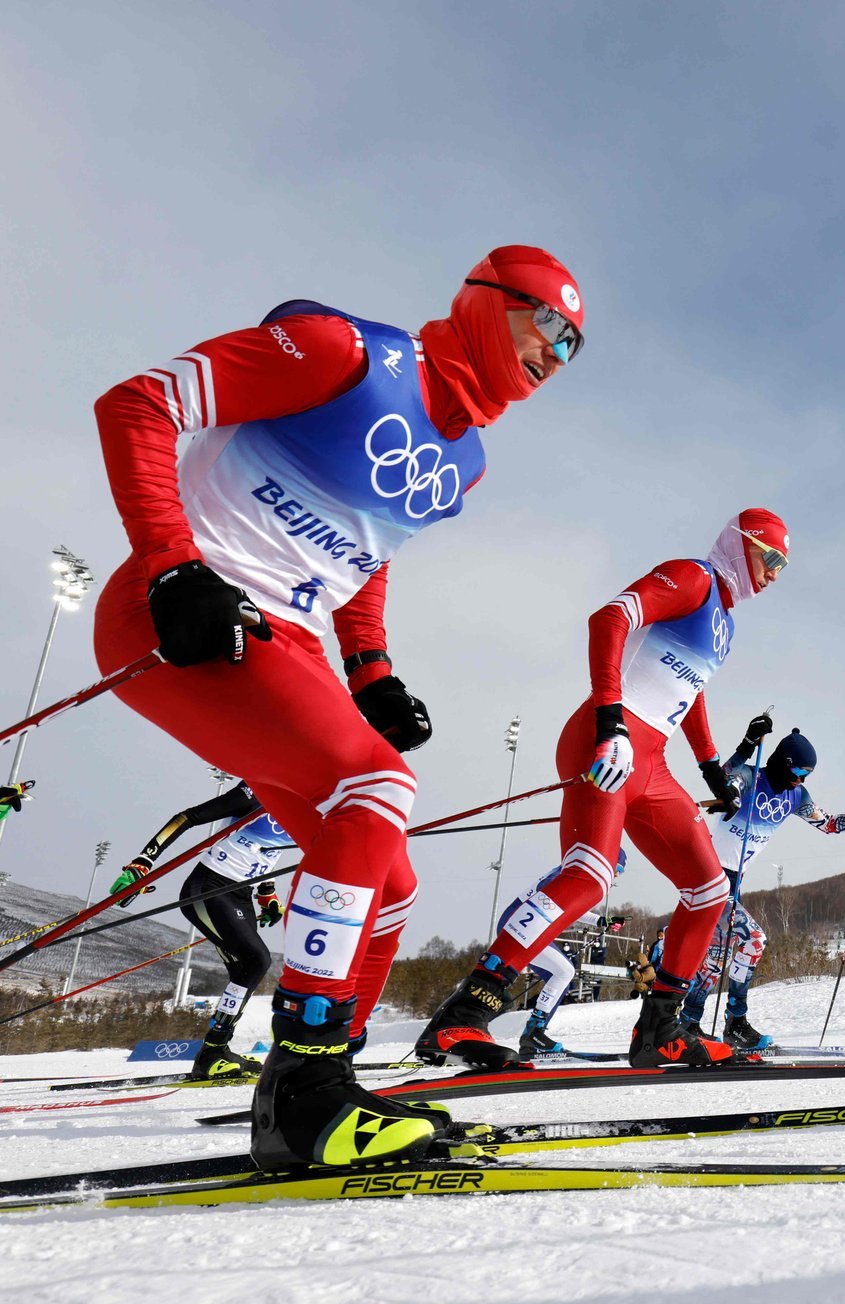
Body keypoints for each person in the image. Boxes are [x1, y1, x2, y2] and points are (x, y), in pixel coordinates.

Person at [91, 245, 585, 1169]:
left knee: (390, 880)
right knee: (374, 785)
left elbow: (365, 548)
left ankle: (332, 1076)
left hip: (293, 639)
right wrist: (170, 565)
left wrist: (373, 672)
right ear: (488, 302)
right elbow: (138, 404)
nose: (556, 354)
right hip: (192, 609)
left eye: (575, 347)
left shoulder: (465, 461)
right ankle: (305, 1100)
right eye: (548, 325)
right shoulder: (343, 351)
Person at [418, 509, 792, 1071]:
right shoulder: (692, 576)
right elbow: (610, 618)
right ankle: (463, 1014)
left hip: (653, 761)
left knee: (709, 890)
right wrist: (610, 724)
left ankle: (659, 1030)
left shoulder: (726, 623)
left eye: (783, 567)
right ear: (743, 545)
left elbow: (690, 691)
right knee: (590, 876)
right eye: (771, 557)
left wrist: (712, 768)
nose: (774, 574)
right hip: (609, 740)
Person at [682, 717, 845, 1049]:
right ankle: (736, 1023)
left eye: (807, 775)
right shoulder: (751, 777)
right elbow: (722, 781)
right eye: (799, 772)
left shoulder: (797, 796)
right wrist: (747, 744)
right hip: (708, 874)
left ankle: (688, 1023)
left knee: (716, 957)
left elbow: (830, 825)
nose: (801, 780)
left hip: (733, 882)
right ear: (784, 762)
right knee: (754, 941)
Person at [108, 780, 289, 1079]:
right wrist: (144, 861)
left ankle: (214, 1053)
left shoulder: (307, 806)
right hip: (210, 888)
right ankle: (213, 1049)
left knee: (245, 971)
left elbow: (268, 848)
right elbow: (187, 818)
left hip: (241, 892)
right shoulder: (261, 788)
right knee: (257, 960)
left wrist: (266, 891)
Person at [516, 847, 628, 1057]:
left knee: (559, 980)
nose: (614, 878)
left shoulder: (577, 872)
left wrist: (601, 921)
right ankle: (532, 1033)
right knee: (564, 971)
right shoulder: (575, 873)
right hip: (524, 927)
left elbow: (570, 907)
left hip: (528, 927)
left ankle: (534, 1035)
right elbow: (556, 900)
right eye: (615, 871)